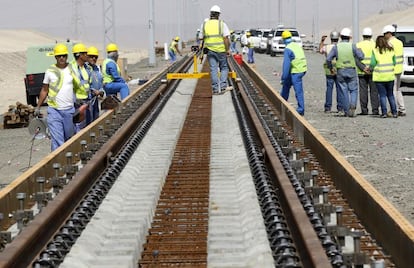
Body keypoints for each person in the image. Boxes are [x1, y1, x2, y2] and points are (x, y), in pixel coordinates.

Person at [34, 44, 81, 151]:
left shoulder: (72, 69)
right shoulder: (50, 71)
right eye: (59, 56)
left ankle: (67, 160)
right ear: (55, 57)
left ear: (67, 56)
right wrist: (38, 107)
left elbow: (78, 86)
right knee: (57, 141)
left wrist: (80, 100)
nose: (61, 58)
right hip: (54, 111)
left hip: (69, 110)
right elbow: (44, 90)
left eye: (64, 55)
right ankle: (57, 165)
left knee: (69, 137)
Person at [327, 27, 366, 117]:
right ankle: (353, 105)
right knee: (353, 90)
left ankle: (346, 110)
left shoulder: (336, 47)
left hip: (340, 70)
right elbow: (361, 57)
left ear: (341, 36)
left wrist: (331, 68)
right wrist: (359, 51)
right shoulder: (352, 46)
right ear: (350, 37)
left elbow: (328, 59)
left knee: (343, 91)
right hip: (351, 70)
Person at [199, 5, 232, 95]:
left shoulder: (205, 24)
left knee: (213, 69)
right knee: (224, 68)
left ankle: (215, 89)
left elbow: (201, 38)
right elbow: (226, 38)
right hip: (221, 50)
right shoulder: (222, 24)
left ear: (210, 14)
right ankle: (223, 87)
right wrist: (227, 49)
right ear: (218, 14)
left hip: (210, 50)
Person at [279, 30, 307, 115]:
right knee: (286, 84)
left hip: (296, 71)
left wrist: (283, 77)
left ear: (283, 39)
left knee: (297, 90)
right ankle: (282, 102)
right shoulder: (296, 45)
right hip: (302, 69)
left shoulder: (288, 49)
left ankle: (301, 109)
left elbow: (286, 65)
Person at [370, 35, 398, 118]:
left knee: (382, 96)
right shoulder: (391, 50)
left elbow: (373, 63)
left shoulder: (375, 51)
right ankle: (394, 112)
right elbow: (394, 62)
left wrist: (370, 68)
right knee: (390, 95)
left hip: (379, 77)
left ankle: (384, 113)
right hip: (390, 76)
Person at [383, 24, 406, 116]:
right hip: (399, 69)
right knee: (397, 90)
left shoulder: (389, 43)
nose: (384, 36)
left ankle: (394, 109)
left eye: (385, 34)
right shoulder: (399, 42)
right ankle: (402, 109)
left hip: (392, 69)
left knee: (392, 90)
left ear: (389, 33)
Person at [356, 27, 379, 115]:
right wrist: (371, 68)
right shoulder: (375, 45)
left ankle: (364, 110)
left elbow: (356, 59)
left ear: (363, 35)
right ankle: (375, 110)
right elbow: (377, 58)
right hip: (373, 72)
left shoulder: (358, 45)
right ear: (371, 35)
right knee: (374, 91)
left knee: (363, 91)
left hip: (362, 72)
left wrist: (363, 68)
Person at [319, 31, 342, 113]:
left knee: (329, 88)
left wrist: (322, 41)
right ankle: (340, 107)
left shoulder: (327, 47)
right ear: (338, 38)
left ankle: (328, 107)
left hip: (329, 69)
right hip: (339, 69)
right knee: (339, 88)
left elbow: (321, 50)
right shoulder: (340, 47)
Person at [69, 43, 90, 132]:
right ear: (80, 55)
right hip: (77, 102)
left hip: (86, 100)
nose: (87, 55)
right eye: (85, 53)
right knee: (79, 127)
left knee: (86, 126)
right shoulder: (71, 68)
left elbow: (87, 83)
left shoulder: (86, 68)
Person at [86, 46, 105, 122]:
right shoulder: (85, 69)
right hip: (88, 99)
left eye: (95, 57)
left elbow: (100, 82)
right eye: (91, 56)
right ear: (87, 57)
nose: (93, 58)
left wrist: (101, 91)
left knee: (95, 119)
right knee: (88, 121)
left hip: (95, 99)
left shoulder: (97, 69)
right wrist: (92, 90)